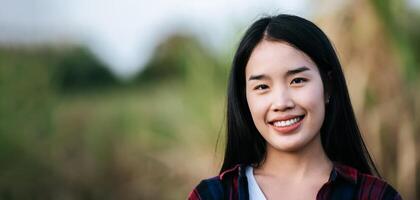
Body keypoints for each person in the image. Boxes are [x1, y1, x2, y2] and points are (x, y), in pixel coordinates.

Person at [188, 14, 402, 200]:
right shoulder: (213, 195)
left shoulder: (375, 195)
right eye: (262, 86)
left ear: (327, 87)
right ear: (245, 98)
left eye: (297, 81)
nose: (281, 103)